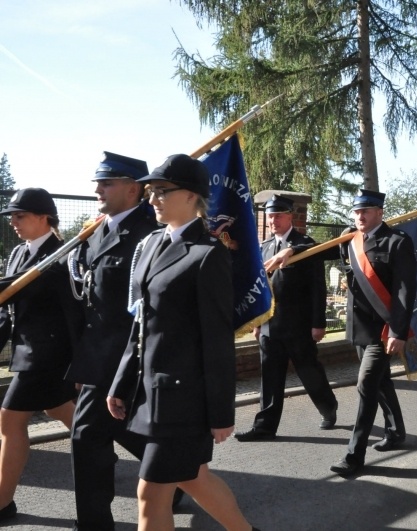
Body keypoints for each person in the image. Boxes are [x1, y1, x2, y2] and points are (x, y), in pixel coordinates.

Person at [106, 154, 258, 531]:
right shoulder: (151, 245)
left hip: (183, 399)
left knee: (150, 493)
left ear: (191, 196)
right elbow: (141, 324)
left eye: (161, 191)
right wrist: (122, 382)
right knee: (194, 478)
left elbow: (217, 341)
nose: (152, 198)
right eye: (150, 191)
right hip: (150, 394)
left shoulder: (208, 256)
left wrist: (221, 413)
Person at [272, 189, 416, 477]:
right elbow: (320, 250)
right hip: (360, 328)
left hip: (384, 329)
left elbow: (404, 292)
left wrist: (398, 331)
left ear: (379, 212)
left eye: (366, 211)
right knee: (381, 382)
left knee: (365, 385)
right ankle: (396, 431)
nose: (360, 216)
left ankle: (354, 455)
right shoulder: (351, 238)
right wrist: (292, 250)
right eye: (356, 212)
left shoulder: (397, 242)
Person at [67, 153, 172, 530]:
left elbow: (145, 306)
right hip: (98, 356)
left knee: (86, 435)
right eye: (98, 183)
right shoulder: (96, 231)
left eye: (106, 183)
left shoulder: (150, 234)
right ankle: (172, 474)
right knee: (121, 428)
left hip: (128, 356)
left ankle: (94, 523)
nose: (97, 190)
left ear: (133, 189)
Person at [0, 188, 84, 522]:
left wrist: (82, 365)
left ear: (43, 217)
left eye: (20, 216)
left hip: (50, 356)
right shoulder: (19, 253)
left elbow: (76, 315)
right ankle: (112, 451)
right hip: (27, 352)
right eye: (11, 217)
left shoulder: (63, 255)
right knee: (65, 412)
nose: (14, 223)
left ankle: (3, 503)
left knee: (9, 420)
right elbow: (8, 310)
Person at [234, 195, 338, 442]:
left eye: (278, 215)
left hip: (299, 326)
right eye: (270, 215)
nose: (273, 220)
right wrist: (257, 322)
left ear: (290, 216)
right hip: (270, 326)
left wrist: (318, 323)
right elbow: (259, 289)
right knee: (270, 378)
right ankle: (265, 427)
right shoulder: (265, 247)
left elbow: (317, 287)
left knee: (309, 372)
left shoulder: (305, 244)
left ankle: (328, 407)